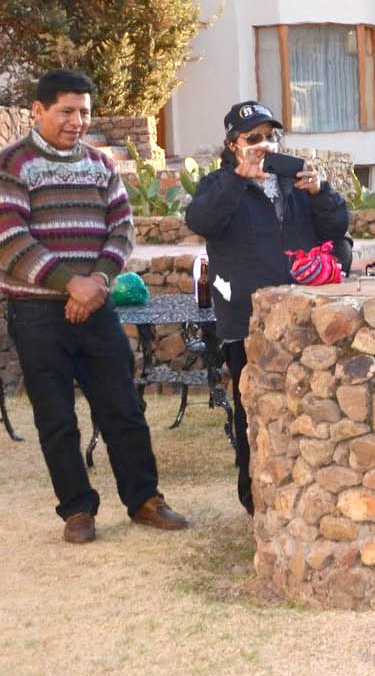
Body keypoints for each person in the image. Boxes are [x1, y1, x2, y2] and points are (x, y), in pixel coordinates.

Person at [0, 69, 188, 543]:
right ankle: (77, 511)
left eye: (84, 112)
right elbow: (9, 239)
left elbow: (122, 229)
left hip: (97, 305)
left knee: (122, 407)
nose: (77, 121)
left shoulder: (100, 165)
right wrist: (72, 286)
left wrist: (98, 281)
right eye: (66, 111)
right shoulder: (12, 165)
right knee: (55, 417)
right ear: (39, 110)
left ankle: (145, 499)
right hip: (37, 312)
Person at [186, 102, 351, 514]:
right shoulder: (218, 183)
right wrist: (236, 182)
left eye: (271, 136)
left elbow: (337, 230)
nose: (265, 145)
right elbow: (201, 221)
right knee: (253, 416)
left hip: (303, 318)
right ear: (232, 145)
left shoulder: (295, 184)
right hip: (246, 322)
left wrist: (322, 192)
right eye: (253, 138)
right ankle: (255, 501)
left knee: (310, 408)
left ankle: (307, 496)